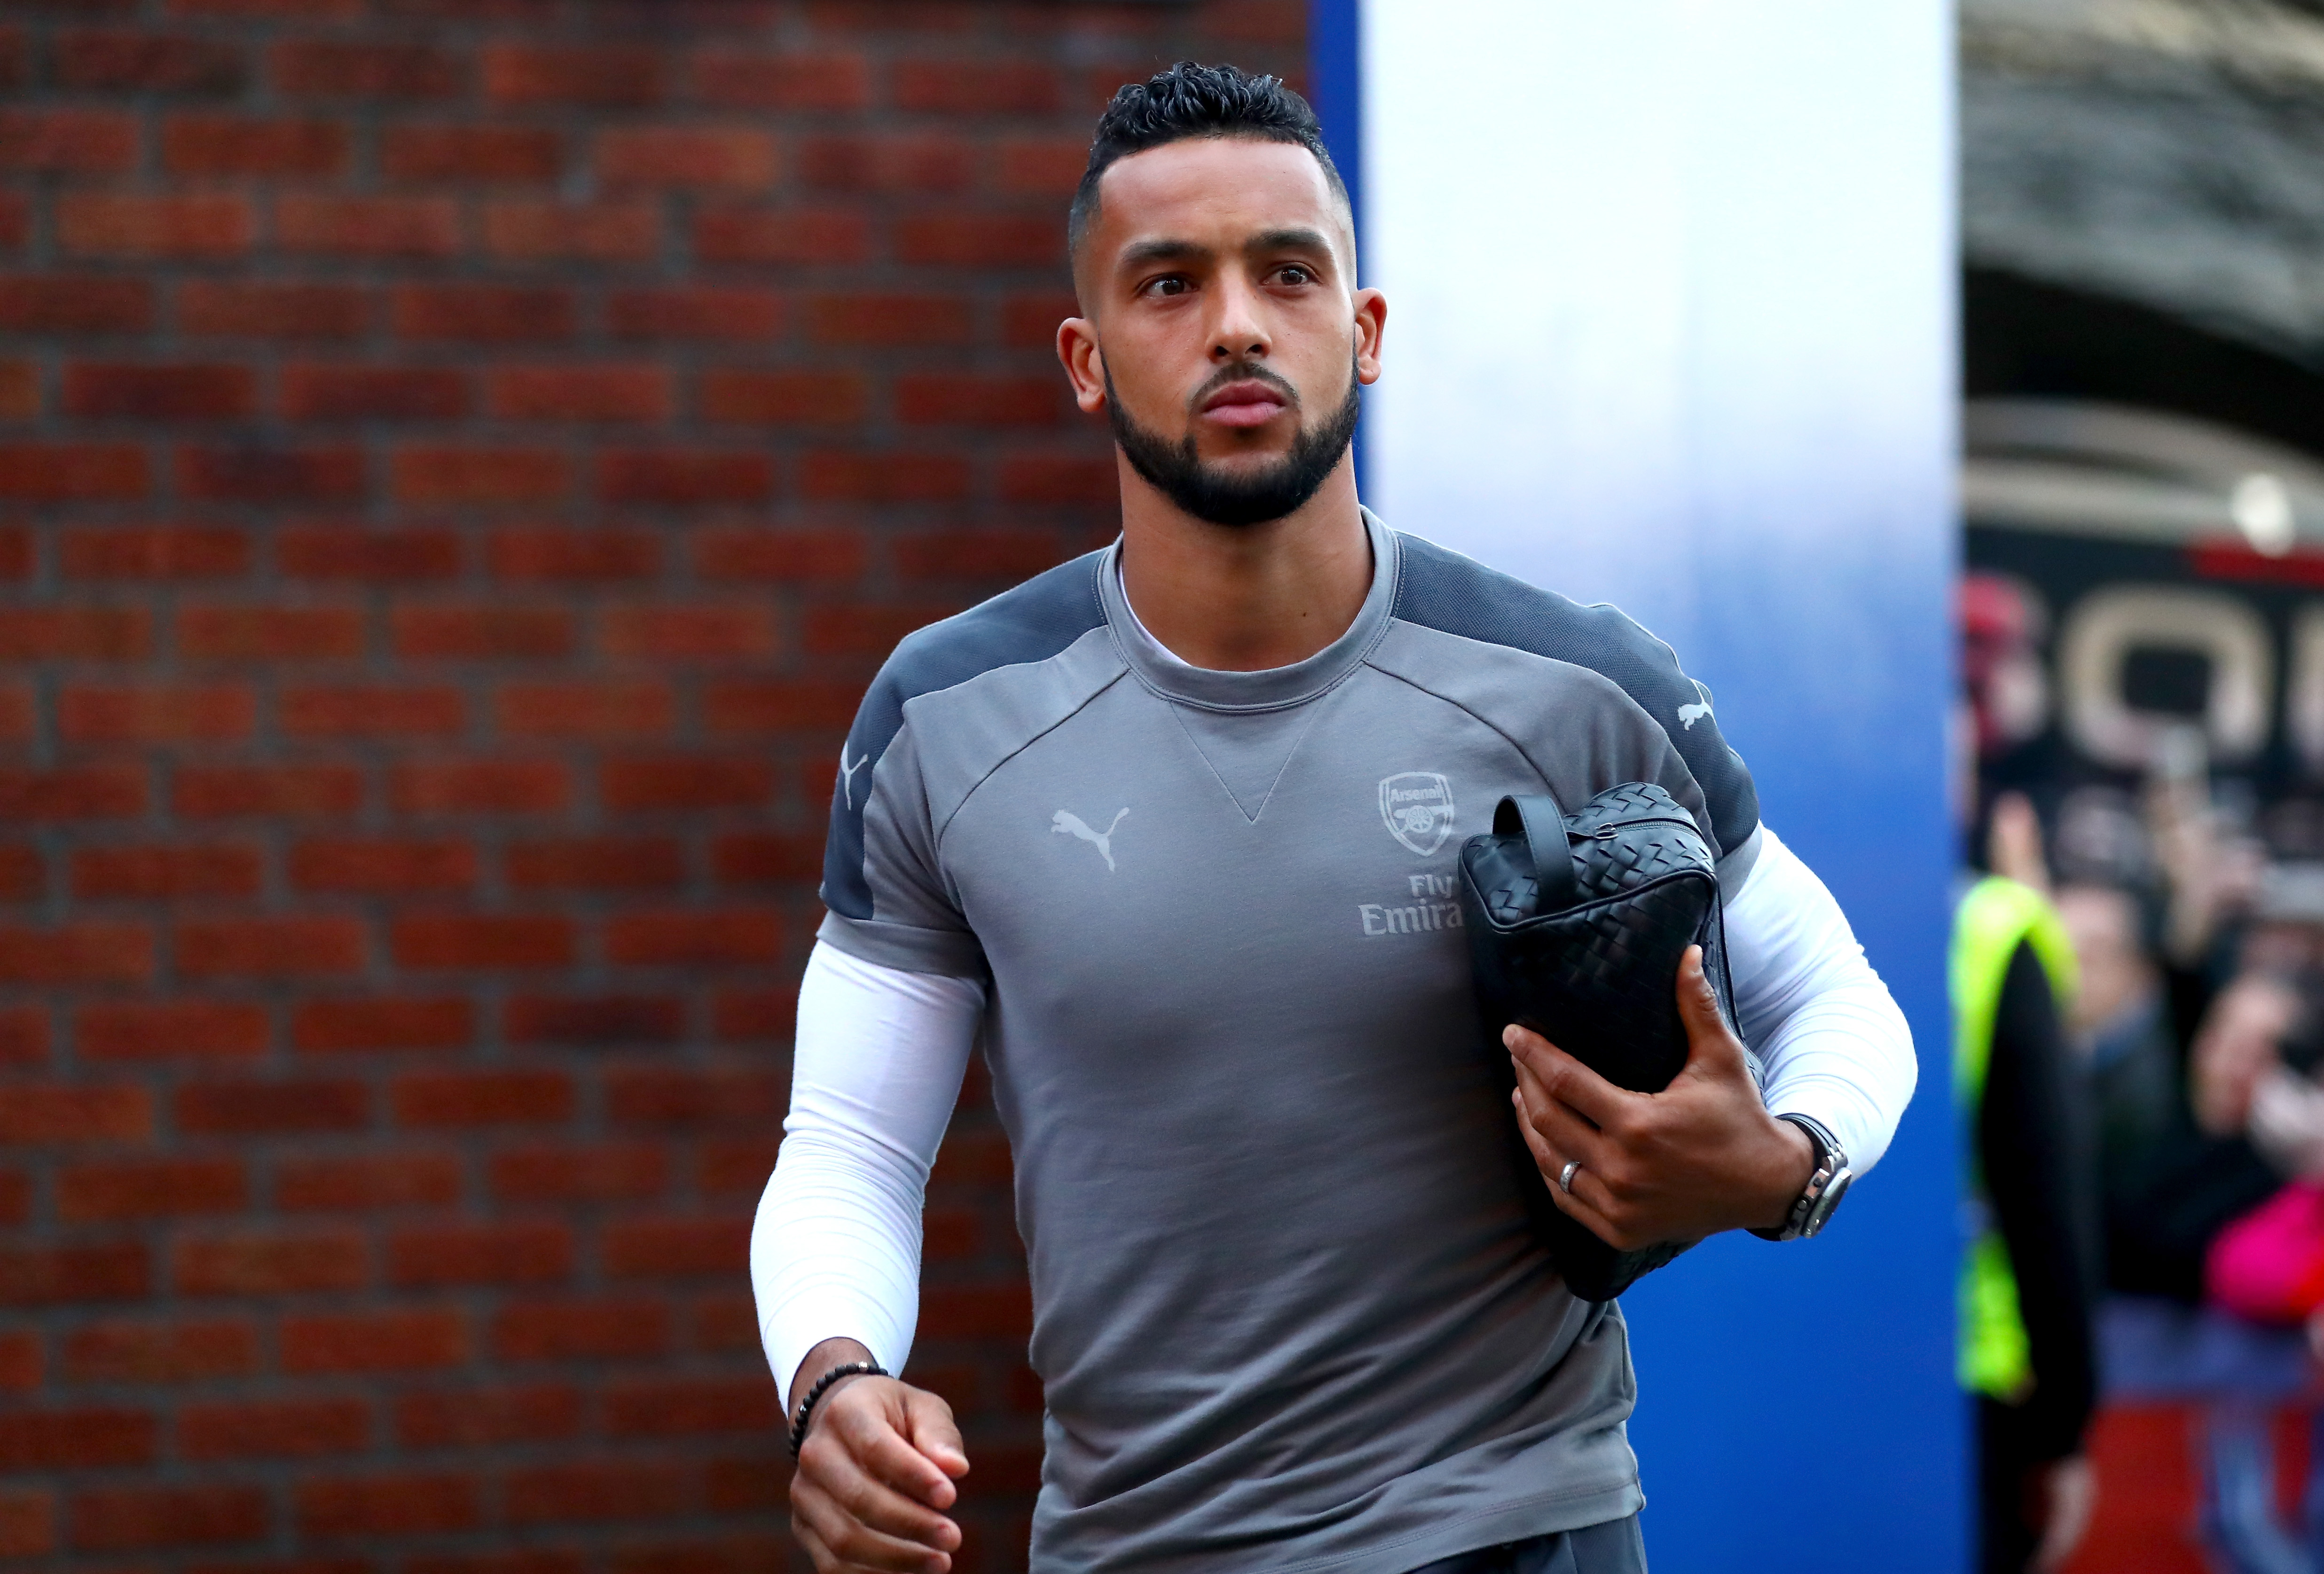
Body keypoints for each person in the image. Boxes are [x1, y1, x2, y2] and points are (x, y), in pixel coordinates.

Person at [752, 62, 1916, 1574]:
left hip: (1523, 1533)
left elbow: (1837, 997)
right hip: (1138, 1545)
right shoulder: (941, 717)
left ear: (1361, 334)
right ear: (1087, 359)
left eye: (1286, 272)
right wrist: (831, 1381)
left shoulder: (1578, 684)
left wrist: (1790, 1160)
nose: (1237, 321)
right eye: (1169, 283)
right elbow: (847, 1142)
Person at [1953, 794, 2100, 1573]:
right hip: (1965, 1384)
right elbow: (2047, 1194)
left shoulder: (1687, 899)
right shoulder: (1989, 929)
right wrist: (2067, 1426)